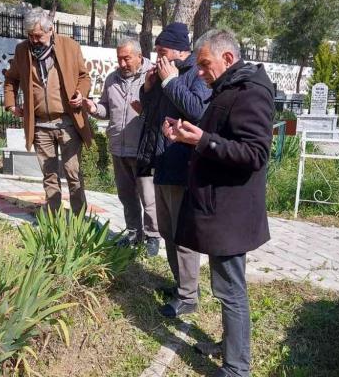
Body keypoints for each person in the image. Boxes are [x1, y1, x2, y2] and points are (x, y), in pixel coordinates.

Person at [163, 29, 274, 377]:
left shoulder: (250, 92)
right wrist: (187, 137)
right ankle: (229, 347)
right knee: (224, 286)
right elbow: (221, 137)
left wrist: (203, 141)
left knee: (230, 290)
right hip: (221, 207)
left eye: (204, 64)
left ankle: (237, 368)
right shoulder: (228, 86)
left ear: (227, 58)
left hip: (230, 211)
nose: (199, 72)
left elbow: (254, 154)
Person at [137, 22, 211, 318]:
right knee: (167, 231)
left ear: (181, 50)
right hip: (161, 162)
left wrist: (169, 81)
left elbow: (197, 110)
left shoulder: (195, 73)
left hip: (183, 166)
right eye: (156, 51)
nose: (158, 56)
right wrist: (149, 87)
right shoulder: (165, 72)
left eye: (162, 50)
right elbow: (149, 110)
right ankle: (181, 285)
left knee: (183, 235)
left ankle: (189, 296)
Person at [3, 7, 92, 215]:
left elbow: (84, 76)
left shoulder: (70, 46)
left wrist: (81, 93)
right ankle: (53, 218)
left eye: (38, 36)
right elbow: (11, 79)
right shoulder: (22, 50)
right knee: (49, 175)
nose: (34, 40)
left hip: (68, 123)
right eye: (30, 36)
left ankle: (80, 220)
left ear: (51, 30)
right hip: (40, 125)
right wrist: (11, 104)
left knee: (73, 173)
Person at [83, 38, 161, 255]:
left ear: (139, 56)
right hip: (118, 147)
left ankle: (153, 236)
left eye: (127, 58)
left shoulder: (152, 76)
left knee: (149, 196)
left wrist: (144, 111)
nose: (122, 63)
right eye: (119, 59)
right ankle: (134, 233)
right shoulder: (112, 79)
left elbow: (161, 112)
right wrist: (93, 108)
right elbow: (105, 109)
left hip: (143, 149)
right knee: (126, 196)